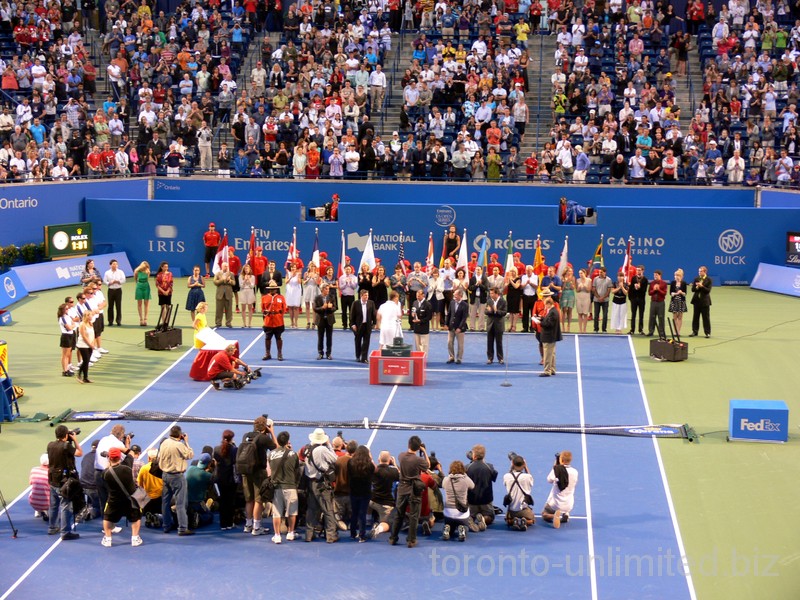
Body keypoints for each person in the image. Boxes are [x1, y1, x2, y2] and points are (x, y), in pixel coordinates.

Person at [389, 435, 430, 548]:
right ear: (418, 448)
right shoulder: (418, 460)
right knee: (414, 516)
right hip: (414, 491)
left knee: (399, 515)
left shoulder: (401, 456)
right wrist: (424, 452)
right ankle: (411, 541)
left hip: (402, 489)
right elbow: (428, 465)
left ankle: (393, 538)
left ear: (408, 445)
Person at [47, 425, 83, 540]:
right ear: (66, 435)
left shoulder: (50, 445)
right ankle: (65, 532)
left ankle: (52, 527)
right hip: (63, 481)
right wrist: (75, 440)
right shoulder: (66, 446)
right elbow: (79, 453)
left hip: (52, 479)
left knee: (53, 505)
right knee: (65, 505)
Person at [102, 447, 143, 547]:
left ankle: (108, 539)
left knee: (107, 518)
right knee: (136, 517)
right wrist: (119, 447)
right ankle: (135, 538)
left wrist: (109, 461)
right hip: (131, 498)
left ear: (109, 458)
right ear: (120, 457)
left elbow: (108, 470)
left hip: (114, 500)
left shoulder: (105, 473)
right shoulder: (127, 466)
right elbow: (131, 452)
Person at [242, 416, 277, 536]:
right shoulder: (263, 438)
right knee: (258, 500)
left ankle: (248, 524)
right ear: (265, 427)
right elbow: (277, 449)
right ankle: (256, 527)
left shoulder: (246, 435)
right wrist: (272, 432)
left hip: (246, 471)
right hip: (258, 473)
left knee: (249, 499)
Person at [304, 428, 339, 543]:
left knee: (311, 510)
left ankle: (309, 534)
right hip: (321, 484)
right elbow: (335, 459)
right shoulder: (322, 449)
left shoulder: (307, 449)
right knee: (328, 509)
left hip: (310, 482)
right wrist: (329, 445)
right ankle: (331, 535)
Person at [159, 425, 195, 536]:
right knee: (180, 503)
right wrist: (186, 442)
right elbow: (190, 455)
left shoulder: (164, 442)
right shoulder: (179, 445)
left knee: (165, 502)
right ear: (180, 435)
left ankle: (166, 526)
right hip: (177, 477)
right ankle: (183, 528)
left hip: (165, 475)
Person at [269, 431, 300, 544]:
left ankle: (277, 535)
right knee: (292, 511)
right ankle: (291, 533)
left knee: (276, 512)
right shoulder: (293, 454)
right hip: (290, 486)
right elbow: (297, 470)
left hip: (277, 487)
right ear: (287, 442)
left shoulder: (271, 454)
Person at [95, 425, 131, 518]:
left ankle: (105, 523)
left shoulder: (103, 439)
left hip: (98, 473)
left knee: (103, 500)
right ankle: (111, 522)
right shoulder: (118, 444)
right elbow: (124, 459)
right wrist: (127, 446)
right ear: (122, 435)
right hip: (109, 474)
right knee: (112, 499)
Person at [542, 451, 579, 528]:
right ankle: (565, 514)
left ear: (561, 460)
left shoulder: (556, 470)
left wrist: (555, 467)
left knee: (544, 514)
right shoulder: (575, 472)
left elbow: (549, 480)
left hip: (555, 505)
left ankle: (554, 516)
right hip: (568, 505)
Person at [367, 451, 400, 540]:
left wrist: (369, 455)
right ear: (389, 460)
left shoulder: (375, 470)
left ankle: (368, 518)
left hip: (372, 502)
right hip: (386, 505)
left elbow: (371, 462)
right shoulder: (393, 471)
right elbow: (400, 474)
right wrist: (395, 464)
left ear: (379, 459)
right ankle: (378, 529)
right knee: (387, 524)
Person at [466, 444, 497, 532]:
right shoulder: (489, 467)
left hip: (472, 501)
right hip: (486, 501)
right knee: (490, 517)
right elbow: (494, 477)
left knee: (470, 515)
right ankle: (483, 519)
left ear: (474, 455)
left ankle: (471, 519)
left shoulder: (467, 468)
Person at [347, 445, 375, 542]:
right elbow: (373, 474)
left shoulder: (350, 463)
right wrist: (371, 459)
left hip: (354, 491)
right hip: (365, 492)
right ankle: (362, 535)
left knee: (354, 513)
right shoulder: (369, 465)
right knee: (362, 513)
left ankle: (352, 533)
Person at [441, 461, 474, 542]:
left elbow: (442, 485)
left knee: (450, 526)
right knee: (466, 527)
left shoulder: (446, 479)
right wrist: (465, 475)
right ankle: (462, 529)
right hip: (462, 513)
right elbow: (472, 486)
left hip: (448, 513)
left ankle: (448, 528)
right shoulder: (465, 479)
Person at [212, 430, 238, 531]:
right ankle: (230, 523)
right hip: (231, 479)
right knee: (230, 501)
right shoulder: (234, 450)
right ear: (232, 438)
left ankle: (223, 524)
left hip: (220, 479)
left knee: (223, 500)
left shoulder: (217, 449)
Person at [503, 454, 535, 531]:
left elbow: (507, 479)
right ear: (523, 465)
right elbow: (530, 478)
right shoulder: (527, 477)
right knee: (532, 520)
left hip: (512, 511)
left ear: (512, 464)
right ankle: (524, 521)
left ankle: (513, 521)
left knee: (507, 520)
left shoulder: (506, 476)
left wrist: (511, 467)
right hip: (524, 510)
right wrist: (526, 467)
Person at [186, 453, 215, 529]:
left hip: (186, 501)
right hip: (197, 502)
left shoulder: (190, 468)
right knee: (210, 516)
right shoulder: (207, 475)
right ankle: (199, 518)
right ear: (209, 464)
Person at [538, 291, 563, 377]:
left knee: (547, 354)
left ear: (549, 304)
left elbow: (549, 324)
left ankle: (547, 371)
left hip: (549, 336)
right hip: (551, 336)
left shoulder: (552, 312)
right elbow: (548, 321)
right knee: (552, 354)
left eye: (545, 304)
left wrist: (540, 322)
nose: (545, 306)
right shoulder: (553, 311)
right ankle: (552, 369)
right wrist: (543, 319)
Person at [261, 281, 287, 361]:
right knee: (267, 338)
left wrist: (279, 315)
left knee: (278, 338)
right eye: (271, 289)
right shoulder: (264, 298)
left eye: (274, 289)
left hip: (278, 321)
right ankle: (267, 353)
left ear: (276, 289)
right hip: (268, 321)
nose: (272, 290)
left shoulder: (281, 297)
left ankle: (279, 353)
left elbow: (284, 309)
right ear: (269, 289)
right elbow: (262, 309)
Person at [350, 288, 377, 363]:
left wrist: (374, 323)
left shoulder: (371, 303)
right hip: (358, 326)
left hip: (367, 326)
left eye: (367, 295)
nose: (367, 297)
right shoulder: (355, 303)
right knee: (358, 341)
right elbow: (352, 315)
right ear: (361, 295)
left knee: (366, 342)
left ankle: (364, 358)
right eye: (365, 295)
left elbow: (373, 314)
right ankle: (358, 356)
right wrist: (353, 324)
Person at [314, 283, 336, 360]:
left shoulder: (332, 297)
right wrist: (322, 308)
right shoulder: (317, 298)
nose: (328, 290)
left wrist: (330, 308)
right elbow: (315, 309)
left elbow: (335, 308)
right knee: (320, 337)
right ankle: (320, 353)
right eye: (326, 289)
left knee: (329, 337)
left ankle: (329, 353)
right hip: (320, 320)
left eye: (328, 289)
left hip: (329, 320)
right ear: (322, 289)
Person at [485, 287, 507, 364]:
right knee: (489, 342)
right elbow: (485, 311)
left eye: (492, 293)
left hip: (499, 325)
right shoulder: (489, 301)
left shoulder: (503, 301)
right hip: (490, 325)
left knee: (499, 342)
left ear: (496, 293)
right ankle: (490, 358)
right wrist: (490, 311)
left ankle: (500, 358)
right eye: (490, 293)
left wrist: (496, 311)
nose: (490, 295)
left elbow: (504, 312)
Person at [447, 288, 468, 364]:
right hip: (451, 326)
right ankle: (451, 357)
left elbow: (464, 317)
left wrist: (460, 327)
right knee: (449, 342)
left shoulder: (465, 305)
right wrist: (446, 324)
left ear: (460, 295)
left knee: (460, 344)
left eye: (455, 294)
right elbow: (449, 314)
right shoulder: (452, 303)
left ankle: (459, 358)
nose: (453, 295)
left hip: (460, 328)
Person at [690, 265, 712, 337]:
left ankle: (707, 333)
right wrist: (696, 287)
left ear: (705, 272)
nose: (699, 273)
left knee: (706, 318)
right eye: (699, 271)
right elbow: (693, 290)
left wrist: (702, 286)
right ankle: (694, 331)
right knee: (695, 317)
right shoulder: (696, 279)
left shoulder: (709, 280)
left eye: (701, 271)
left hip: (705, 302)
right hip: (696, 301)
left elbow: (708, 291)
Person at [103, 259, 125, 326]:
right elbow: (104, 281)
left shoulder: (120, 272)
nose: (115, 265)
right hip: (111, 290)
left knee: (118, 306)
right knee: (110, 306)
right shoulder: (107, 273)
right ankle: (110, 321)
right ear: (110, 265)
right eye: (113, 264)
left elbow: (123, 280)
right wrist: (109, 283)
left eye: (116, 264)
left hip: (118, 290)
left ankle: (118, 320)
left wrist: (118, 281)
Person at [58, 301, 77, 378]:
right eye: (66, 309)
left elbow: (73, 323)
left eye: (67, 309)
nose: (67, 310)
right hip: (66, 336)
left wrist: (72, 325)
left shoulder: (67, 316)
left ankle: (67, 369)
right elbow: (69, 328)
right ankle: (65, 370)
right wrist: (72, 326)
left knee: (68, 354)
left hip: (70, 335)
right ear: (62, 310)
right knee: (64, 355)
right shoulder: (62, 318)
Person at [410, 289, 432, 354]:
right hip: (416, 328)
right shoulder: (415, 302)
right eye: (417, 296)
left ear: (423, 295)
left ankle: (424, 359)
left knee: (424, 345)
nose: (417, 297)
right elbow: (413, 311)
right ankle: (419, 358)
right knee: (417, 345)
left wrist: (420, 320)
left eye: (419, 296)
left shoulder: (427, 304)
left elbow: (429, 317)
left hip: (424, 328)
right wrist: (412, 314)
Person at [75, 311, 95, 384]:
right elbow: (84, 336)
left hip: (90, 345)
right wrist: (90, 344)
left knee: (87, 361)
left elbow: (93, 334)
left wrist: (93, 343)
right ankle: (79, 375)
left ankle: (85, 377)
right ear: (86, 316)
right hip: (83, 345)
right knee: (85, 360)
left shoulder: (90, 324)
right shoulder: (82, 325)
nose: (91, 317)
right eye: (90, 316)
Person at [213, 262, 235, 328]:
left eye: (227, 266)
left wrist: (230, 281)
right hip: (220, 294)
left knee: (229, 310)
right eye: (225, 266)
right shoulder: (217, 274)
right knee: (219, 310)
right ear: (222, 267)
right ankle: (218, 323)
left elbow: (234, 283)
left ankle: (228, 323)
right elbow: (215, 282)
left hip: (228, 294)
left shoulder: (231, 274)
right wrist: (222, 280)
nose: (226, 267)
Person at [29, 453, 50, 522]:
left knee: (33, 489)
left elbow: (30, 483)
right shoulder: (51, 473)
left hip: (33, 503)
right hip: (47, 504)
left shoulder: (33, 470)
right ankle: (45, 510)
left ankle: (38, 510)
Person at [648, 270, 668, 338]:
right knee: (652, 317)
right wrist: (654, 290)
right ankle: (651, 331)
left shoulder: (664, 284)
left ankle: (661, 333)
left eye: (656, 275)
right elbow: (649, 293)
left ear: (660, 275)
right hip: (653, 302)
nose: (655, 276)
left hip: (661, 303)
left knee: (661, 317)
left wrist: (658, 289)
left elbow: (664, 293)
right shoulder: (652, 283)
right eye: (654, 275)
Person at [592, 267, 613, 333]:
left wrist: (603, 298)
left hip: (605, 300)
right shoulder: (595, 279)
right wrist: (598, 297)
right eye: (599, 272)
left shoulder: (609, 280)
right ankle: (596, 329)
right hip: (596, 300)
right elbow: (593, 289)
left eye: (601, 272)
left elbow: (608, 291)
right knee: (596, 315)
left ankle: (604, 329)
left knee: (605, 315)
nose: (599, 273)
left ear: (605, 272)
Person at [628, 265, 648, 335]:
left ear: (642, 271)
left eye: (639, 270)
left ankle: (640, 330)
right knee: (633, 315)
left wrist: (639, 287)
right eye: (637, 270)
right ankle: (632, 330)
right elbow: (630, 289)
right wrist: (630, 298)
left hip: (641, 300)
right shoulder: (633, 278)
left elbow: (644, 290)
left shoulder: (645, 279)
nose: (638, 271)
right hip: (633, 299)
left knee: (641, 315)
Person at [468, 265, 489, 331]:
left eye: (479, 269)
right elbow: (470, 288)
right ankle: (472, 327)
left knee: (482, 314)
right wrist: (476, 285)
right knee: (472, 314)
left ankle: (481, 327)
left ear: (481, 271)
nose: (478, 271)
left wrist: (480, 284)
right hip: (474, 298)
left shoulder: (484, 278)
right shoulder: (472, 278)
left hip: (482, 298)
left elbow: (486, 288)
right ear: (475, 271)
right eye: (476, 269)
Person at [668, 268, 688, 336]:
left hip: (681, 302)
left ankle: (678, 331)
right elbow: (670, 293)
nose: (676, 277)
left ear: (681, 276)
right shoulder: (673, 283)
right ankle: (674, 331)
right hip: (674, 301)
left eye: (678, 275)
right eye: (675, 275)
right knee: (674, 317)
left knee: (680, 317)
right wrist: (676, 293)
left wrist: (681, 292)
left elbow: (685, 293)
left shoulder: (684, 283)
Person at [339, 264, 357, 330]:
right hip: (344, 296)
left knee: (351, 311)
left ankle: (351, 324)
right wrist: (345, 283)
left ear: (351, 270)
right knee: (344, 311)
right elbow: (340, 287)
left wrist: (351, 282)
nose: (348, 270)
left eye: (349, 269)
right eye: (346, 269)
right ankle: (344, 324)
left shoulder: (354, 277)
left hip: (351, 296)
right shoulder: (341, 277)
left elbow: (354, 287)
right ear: (344, 270)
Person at [238, 263, 257, 327]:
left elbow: (252, 286)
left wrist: (248, 281)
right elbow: (241, 286)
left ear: (249, 269)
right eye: (245, 269)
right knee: (243, 309)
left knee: (250, 308)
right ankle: (244, 323)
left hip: (250, 292)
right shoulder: (240, 276)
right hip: (243, 292)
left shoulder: (253, 277)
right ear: (243, 270)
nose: (246, 270)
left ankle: (249, 323)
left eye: (247, 269)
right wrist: (244, 280)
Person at [285, 263, 303, 328]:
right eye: (292, 267)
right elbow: (286, 282)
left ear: (296, 268)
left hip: (296, 291)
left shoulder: (299, 274)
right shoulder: (288, 274)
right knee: (290, 307)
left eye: (294, 267)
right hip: (290, 291)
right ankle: (291, 322)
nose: (293, 268)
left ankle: (296, 323)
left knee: (296, 307)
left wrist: (297, 276)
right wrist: (291, 277)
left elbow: (299, 282)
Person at [133, 260, 151, 326]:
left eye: (146, 266)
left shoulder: (148, 271)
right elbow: (135, 279)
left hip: (146, 287)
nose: (145, 267)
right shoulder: (137, 271)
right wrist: (138, 284)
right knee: (139, 303)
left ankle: (145, 319)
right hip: (139, 286)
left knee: (146, 303)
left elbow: (147, 279)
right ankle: (141, 319)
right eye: (144, 265)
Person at [505, 267, 522, 332]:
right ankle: (510, 325)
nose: (512, 273)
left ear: (516, 272)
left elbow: (516, 286)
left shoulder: (518, 279)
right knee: (511, 312)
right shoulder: (508, 279)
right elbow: (505, 286)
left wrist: (511, 281)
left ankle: (514, 326)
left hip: (516, 296)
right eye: (511, 272)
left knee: (515, 312)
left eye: (513, 271)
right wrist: (507, 283)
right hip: (510, 296)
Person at [576, 269, 592, 334]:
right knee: (580, 313)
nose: (580, 275)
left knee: (585, 314)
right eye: (579, 273)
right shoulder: (577, 280)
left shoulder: (589, 280)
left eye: (581, 273)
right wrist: (579, 288)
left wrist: (585, 286)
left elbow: (589, 290)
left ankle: (584, 329)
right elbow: (577, 290)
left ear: (585, 273)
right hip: (579, 297)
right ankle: (580, 329)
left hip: (586, 298)